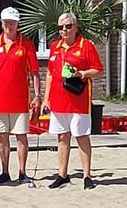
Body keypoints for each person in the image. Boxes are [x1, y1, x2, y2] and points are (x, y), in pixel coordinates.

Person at [42, 12, 103, 189]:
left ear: (76, 27)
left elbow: (98, 70)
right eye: (61, 27)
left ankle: (87, 175)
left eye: (68, 26)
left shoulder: (86, 46)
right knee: (62, 137)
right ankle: (62, 174)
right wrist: (46, 98)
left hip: (78, 99)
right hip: (58, 99)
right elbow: (50, 73)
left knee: (81, 136)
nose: (64, 30)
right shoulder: (55, 46)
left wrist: (81, 73)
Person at [0, 6, 40, 185]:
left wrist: (37, 95)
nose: (9, 25)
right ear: (1, 23)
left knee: (21, 135)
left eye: (12, 22)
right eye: (6, 22)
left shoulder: (27, 44)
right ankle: (4, 172)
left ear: (18, 23)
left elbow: (34, 72)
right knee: (2, 136)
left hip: (20, 99)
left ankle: (22, 172)